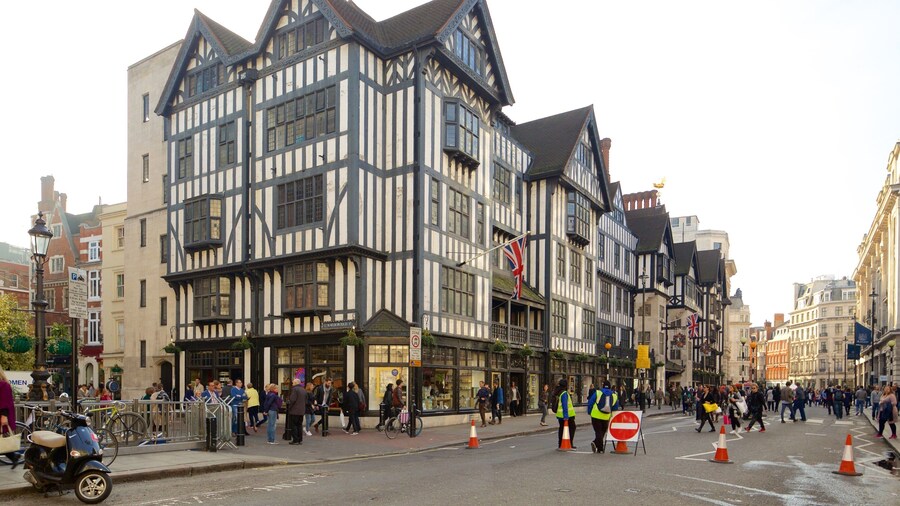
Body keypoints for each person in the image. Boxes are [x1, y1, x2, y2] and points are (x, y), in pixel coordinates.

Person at [587, 380, 618, 453]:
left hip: (596, 415)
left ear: (603, 386)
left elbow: (591, 402)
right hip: (606, 416)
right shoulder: (614, 395)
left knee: (598, 432)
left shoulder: (598, 392)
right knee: (602, 432)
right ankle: (598, 446)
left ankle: (599, 447)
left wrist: (589, 412)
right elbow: (615, 407)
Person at [0, 369, 20, 468]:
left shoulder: (4, 385)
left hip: (1, 416)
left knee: (2, 441)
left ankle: (14, 456)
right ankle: (13, 456)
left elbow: (5, 402)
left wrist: (4, 416)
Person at [554, 379, 576, 449]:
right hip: (567, 415)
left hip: (560, 415)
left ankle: (560, 444)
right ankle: (570, 443)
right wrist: (566, 416)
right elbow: (565, 405)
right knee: (572, 428)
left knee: (561, 429)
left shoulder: (558, 392)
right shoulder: (564, 393)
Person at [287, 378, 308, 445]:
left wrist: (289, 407)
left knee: (294, 425)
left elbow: (292, 399)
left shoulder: (295, 389)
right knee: (299, 425)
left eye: (293, 382)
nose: (292, 384)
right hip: (301, 411)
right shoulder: (303, 390)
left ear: (296, 383)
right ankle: (299, 439)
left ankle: (295, 439)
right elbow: (306, 400)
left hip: (294, 410)